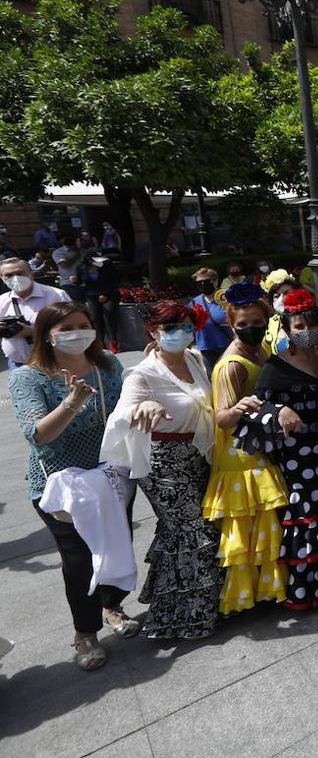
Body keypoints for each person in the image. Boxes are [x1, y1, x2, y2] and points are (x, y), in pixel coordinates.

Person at [12, 302, 140, 669]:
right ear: (47, 335)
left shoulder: (108, 366)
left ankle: (111, 606)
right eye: (67, 328)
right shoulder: (28, 378)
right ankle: (85, 634)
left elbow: (124, 410)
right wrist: (71, 403)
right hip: (62, 486)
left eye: (84, 325)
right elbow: (38, 436)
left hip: (111, 477)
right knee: (80, 559)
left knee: (117, 540)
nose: (78, 332)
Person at [102, 301, 224, 639]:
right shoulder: (143, 373)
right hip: (163, 462)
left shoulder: (194, 358)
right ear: (154, 332)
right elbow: (122, 413)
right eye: (171, 327)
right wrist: (145, 405)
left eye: (186, 326)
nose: (180, 333)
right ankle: (192, 616)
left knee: (186, 531)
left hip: (197, 454)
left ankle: (180, 608)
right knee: (192, 531)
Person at [235, 289, 318, 609]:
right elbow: (253, 409)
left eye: (310, 323)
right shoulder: (277, 366)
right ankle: (314, 588)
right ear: (287, 330)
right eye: (298, 326)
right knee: (308, 515)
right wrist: (277, 411)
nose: (305, 330)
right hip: (297, 457)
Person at [200, 282, 287, 615]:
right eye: (243, 325)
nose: (252, 329)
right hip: (242, 454)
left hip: (260, 443)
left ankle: (269, 589)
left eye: (257, 322)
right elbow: (222, 417)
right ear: (231, 324)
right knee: (251, 530)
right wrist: (240, 408)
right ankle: (250, 595)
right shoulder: (232, 365)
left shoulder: (261, 348)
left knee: (265, 527)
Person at [0, 257, 72, 366]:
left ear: (31, 274)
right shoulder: (2, 300)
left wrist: (34, 332)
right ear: (2, 278)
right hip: (17, 365)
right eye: (9, 275)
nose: (15, 278)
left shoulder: (56, 295)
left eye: (19, 273)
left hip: (53, 363)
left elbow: (72, 330)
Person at [188, 268, 231, 373]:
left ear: (215, 281)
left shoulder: (226, 299)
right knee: (213, 378)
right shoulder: (194, 303)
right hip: (206, 348)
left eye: (205, 282)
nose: (202, 285)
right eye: (199, 283)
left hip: (227, 346)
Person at [83, 257, 121, 353]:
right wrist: (75, 281)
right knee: (95, 317)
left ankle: (113, 341)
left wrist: (105, 294)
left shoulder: (107, 267)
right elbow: (82, 281)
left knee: (108, 313)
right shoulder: (82, 268)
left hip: (109, 294)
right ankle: (101, 343)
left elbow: (115, 282)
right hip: (92, 295)